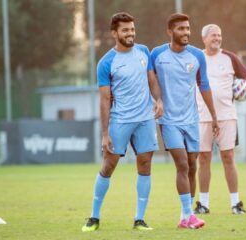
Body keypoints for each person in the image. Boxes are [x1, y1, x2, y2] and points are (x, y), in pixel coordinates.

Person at [82, 12, 163, 232]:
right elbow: (105, 99)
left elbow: (152, 80)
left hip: (145, 119)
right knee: (108, 166)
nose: (130, 33)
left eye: (132, 29)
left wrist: (159, 100)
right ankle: (94, 217)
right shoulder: (106, 62)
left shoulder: (144, 52)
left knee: (145, 165)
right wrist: (105, 133)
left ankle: (139, 219)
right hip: (120, 121)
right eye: (125, 30)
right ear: (114, 33)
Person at [194, 24, 246, 215]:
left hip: (227, 117)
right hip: (202, 117)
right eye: (213, 35)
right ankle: (203, 204)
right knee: (203, 159)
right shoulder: (197, 58)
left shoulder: (229, 58)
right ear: (204, 38)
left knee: (228, 158)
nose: (217, 38)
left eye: (219, 35)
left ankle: (236, 203)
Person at [151, 13, 219, 229]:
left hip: (192, 120)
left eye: (188, 28)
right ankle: (190, 215)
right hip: (168, 120)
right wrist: (158, 100)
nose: (186, 33)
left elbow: (204, 86)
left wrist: (214, 116)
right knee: (181, 164)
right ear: (170, 32)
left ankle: (184, 216)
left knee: (191, 166)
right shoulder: (157, 54)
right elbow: (149, 80)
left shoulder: (197, 56)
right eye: (181, 29)